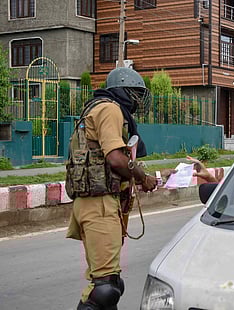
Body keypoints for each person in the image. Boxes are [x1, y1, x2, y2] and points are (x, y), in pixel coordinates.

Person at [65, 67, 157, 310]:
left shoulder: (97, 107)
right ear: (123, 91)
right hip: (99, 204)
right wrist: (142, 177)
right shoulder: (110, 109)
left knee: (111, 283)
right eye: (135, 94)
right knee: (104, 289)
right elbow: (115, 159)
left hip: (97, 202)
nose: (138, 101)